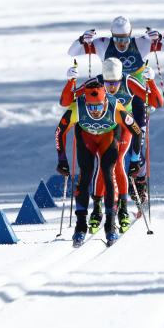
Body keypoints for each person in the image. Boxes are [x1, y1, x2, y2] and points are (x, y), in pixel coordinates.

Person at [67, 16, 164, 203]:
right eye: (117, 39)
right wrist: (82, 40)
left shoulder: (141, 44)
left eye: (125, 38)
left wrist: (160, 37)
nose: (121, 43)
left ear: (130, 35)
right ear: (112, 36)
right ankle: (112, 188)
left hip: (136, 96)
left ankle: (140, 182)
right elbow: (72, 53)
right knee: (112, 143)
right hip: (110, 98)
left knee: (138, 138)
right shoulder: (103, 45)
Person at [59, 58, 163, 233]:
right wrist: (70, 81)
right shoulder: (95, 83)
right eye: (107, 83)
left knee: (117, 163)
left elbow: (157, 102)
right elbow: (66, 101)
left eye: (115, 83)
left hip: (123, 126)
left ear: (120, 78)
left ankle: (121, 208)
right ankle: (99, 208)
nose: (111, 87)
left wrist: (151, 81)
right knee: (103, 166)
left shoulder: (129, 82)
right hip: (104, 128)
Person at [55, 81, 143, 246]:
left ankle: (110, 226)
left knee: (107, 173)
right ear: (86, 103)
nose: (95, 111)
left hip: (108, 137)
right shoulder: (77, 107)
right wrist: (62, 160)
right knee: (86, 174)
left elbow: (136, 131)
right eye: (91, 107)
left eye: (98, 107)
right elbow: (60, 132)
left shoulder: (115, 106)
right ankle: (80, 226)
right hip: (86, 137)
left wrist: (134, 160)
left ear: (105, 102)